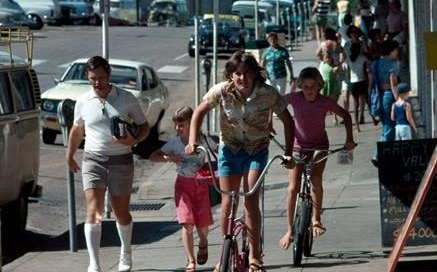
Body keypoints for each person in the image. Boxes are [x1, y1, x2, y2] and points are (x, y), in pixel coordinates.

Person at [185, 51, 295, 272]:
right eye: (237, 73)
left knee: (250, 200)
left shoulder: (268, 93)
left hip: (256, 150)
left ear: (254, 74)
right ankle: (223, 254)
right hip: (230, 150)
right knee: (228, 202)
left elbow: (288, 121)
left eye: (247, 73)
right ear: (231, 75)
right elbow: (198, 112)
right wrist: (192, 141)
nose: (242, 78)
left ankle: (255, 257)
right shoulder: (222, 90)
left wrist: (289, 153)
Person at [65, 55, 150, 272]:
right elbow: (77, 130)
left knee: (121, 212)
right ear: (88, 76)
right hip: (93, 159)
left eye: (101, 78)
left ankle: (126, 252)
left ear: (109, 75)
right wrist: (70, 154)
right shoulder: (83, 100)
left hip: (121, 160)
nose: (97, 83)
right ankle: (94, 264)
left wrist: (135, 140)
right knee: (93, 210)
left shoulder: (126, 98)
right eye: (93, 78)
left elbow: (144, 126)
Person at [278, 67, 356, 250]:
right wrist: (267, 125)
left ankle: (316, 219)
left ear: (319, 86)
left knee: (315, 178)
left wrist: (349, 139)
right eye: (305, 86)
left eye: (313, 86)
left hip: (319, 146)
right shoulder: (294, 98)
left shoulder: (324, 101)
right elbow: (275, 105)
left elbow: (345, 115)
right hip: (297, 146)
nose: (309, 90)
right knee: (292, 188)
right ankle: (289, 230)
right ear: (300, 87)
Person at [149, 106, 215, 272]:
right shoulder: (175, 144)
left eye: (182, 125)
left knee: (203, 226)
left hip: (201, 186)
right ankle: (190, 260)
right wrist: (168, 158)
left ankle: (203, 242)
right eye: (176, 125)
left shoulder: (205, 141)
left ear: (192, 123)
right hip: (183, 186)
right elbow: (153, 156)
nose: (178, 129)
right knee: (186, 223)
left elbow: (219, 152)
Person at [368, 40, 400, 167]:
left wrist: (370, 105)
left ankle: (385, 155)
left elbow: (370, 86)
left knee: (386, 126)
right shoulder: (393, 65)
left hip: (377, 98)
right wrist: (399, 102)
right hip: (388, 98)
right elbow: (394, 86)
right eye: (396, 50)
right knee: (389, 128)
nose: (397, 52)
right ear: (390, 51)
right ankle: (377, 154)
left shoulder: (375, 64)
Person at [344, 25, 370, 132]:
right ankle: (360, 117)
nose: (354, 34)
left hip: (355, 77)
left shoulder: (360, 43)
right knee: (360, 99)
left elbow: (365, 51)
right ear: (349, 34)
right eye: (352, 32)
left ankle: (360, 117)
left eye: (355, 32)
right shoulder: (348, 44)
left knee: (358, 101)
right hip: (359, 76)